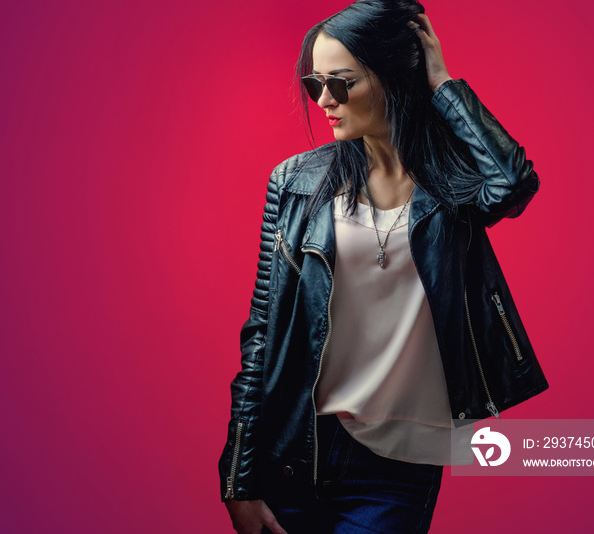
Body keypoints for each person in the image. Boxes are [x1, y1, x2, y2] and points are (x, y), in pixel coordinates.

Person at [219, 1, 548, 532]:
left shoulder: (450, 182)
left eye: (341, 83)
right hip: (296, 453)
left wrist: (441, 83)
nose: (325, 100)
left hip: (398, 465)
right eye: (314, 83)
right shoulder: (296, 183)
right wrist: (238, 479)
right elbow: (261, 337)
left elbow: (512, 184)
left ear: (393, 77)